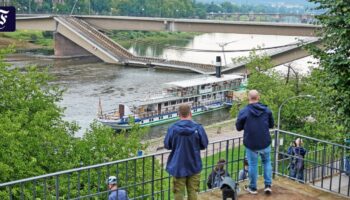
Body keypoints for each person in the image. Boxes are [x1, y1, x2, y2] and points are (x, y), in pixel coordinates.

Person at [164, 104, 209, 200]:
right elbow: (204, 144)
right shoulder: (198, 128)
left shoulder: (172, 128)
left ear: (178, 114)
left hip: (178, 165)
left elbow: (167, 145)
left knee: (178, 192)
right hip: (194, 163)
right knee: (193, 191)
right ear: (190, 113)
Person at [235, 90, 274, 195]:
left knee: (253, 164)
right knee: (267, 162)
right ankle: (268, 185)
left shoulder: (244, 111)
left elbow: (238, 127)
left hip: (251, 142)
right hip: (265, 141)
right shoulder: (267, 110)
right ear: (258, 97)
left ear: (249, 98)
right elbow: (271, 125)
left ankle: (253, 188)